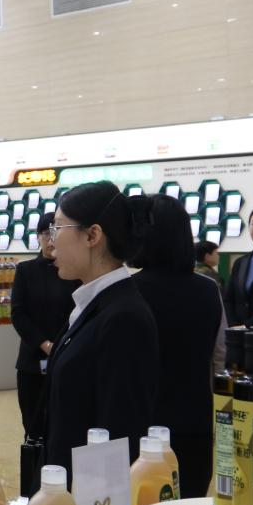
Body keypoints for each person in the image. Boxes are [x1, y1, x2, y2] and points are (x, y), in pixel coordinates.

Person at [42, 182, 159, 475]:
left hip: (86, 491)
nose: (51, 242)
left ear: (92, 235)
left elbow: (119, 433)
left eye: (57, 228)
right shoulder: (92, 303)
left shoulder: (123, 316)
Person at [130, 194, 225, 497]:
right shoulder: (208, 289)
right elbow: (221, 356)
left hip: (141, 423)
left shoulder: (128, 290)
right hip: (195, 419)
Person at [9, 212, 80, 444]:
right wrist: (46, 345)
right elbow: (18, 314)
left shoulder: (75, 272)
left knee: (66, 425)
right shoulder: (26, 270)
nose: (51, 240)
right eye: (45, 234)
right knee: (34, 425)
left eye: (55, 233)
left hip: (70, 356)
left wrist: (63, 345)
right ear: (38, 237)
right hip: (32, 360)